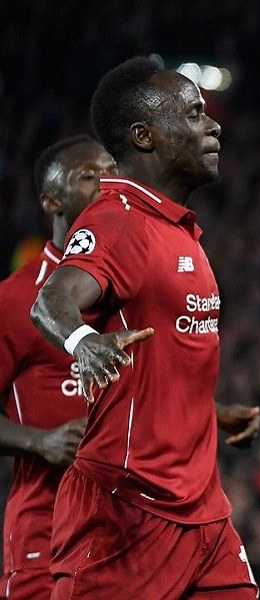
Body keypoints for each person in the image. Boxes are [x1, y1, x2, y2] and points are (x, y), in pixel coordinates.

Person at [30, 57, 260, 598]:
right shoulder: (117, 220)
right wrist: (84, 342)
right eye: (195, 114)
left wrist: (208, 412)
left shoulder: (175, 229)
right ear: (145, 136)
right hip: (125, 512)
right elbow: (51, 299)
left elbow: (158, 363)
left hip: (204, 513)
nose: (213, 125)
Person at [0, 136, 115, 599]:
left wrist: (214, 413)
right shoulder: (14, 299)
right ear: (52, 202)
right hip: (46, 537)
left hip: (126, 539)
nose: (106, 184)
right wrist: (40, 442)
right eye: (89, 176)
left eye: (113, 172)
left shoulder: (133, 291)